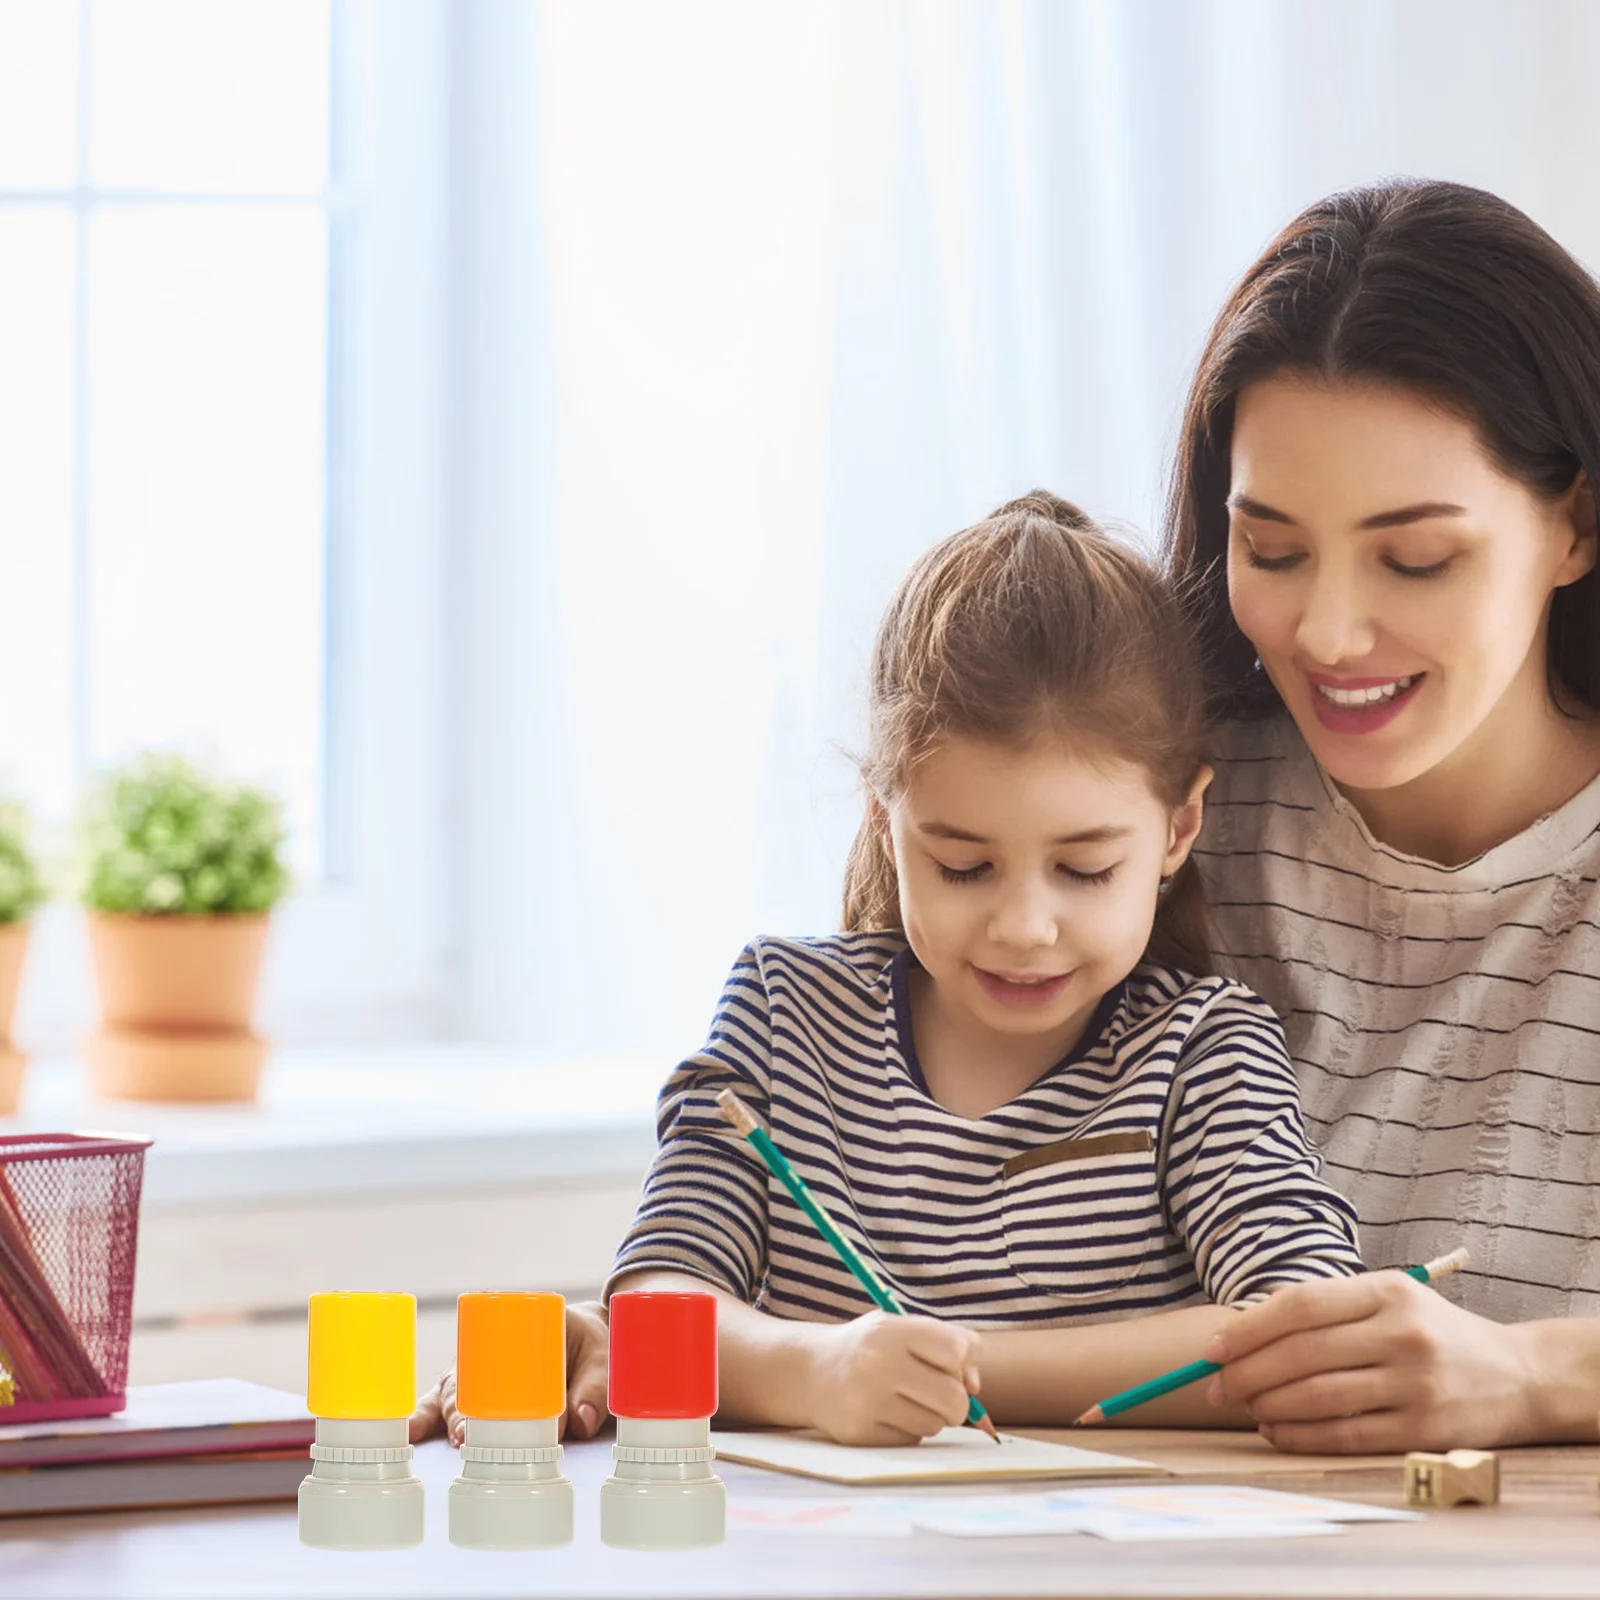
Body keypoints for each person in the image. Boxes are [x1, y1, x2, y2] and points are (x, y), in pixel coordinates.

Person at [603, 492, 1362, 1446]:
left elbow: (1309, 1332)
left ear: (1179, 828)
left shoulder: (1202, 1050)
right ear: (886, 822)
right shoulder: (781, 1013)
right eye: (962, 866)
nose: (1024, 928)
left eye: (1086, 869)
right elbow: (647, 1317)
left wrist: (959, 1370)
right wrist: (818, 1373)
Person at [1165, 178, 1600, 1452]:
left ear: (1571, 524)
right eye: (1274, 549)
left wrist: (1528, 1375)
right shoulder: (1153, 812)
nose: (1328, 633)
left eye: (1415, 558)